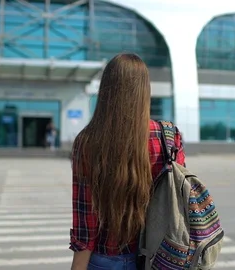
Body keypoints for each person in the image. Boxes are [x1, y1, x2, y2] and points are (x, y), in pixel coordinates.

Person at [69, 53, 186, 270]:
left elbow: (86, 222)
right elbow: (177, 202)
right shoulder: (168, 136)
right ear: (145, 90)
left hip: (105, 259)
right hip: (158, 257)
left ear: (106, 91)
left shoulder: (87, 142)